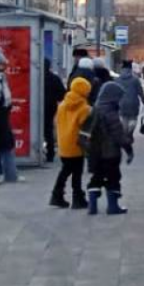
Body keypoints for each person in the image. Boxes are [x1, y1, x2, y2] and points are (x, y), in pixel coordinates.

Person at [87, 82, 133, 215]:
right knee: (113, 178)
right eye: (118, 97)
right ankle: (113, 207)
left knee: (96, 178)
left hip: (94, 154)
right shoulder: (111, 114)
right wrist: (129, 149)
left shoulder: (94, 110)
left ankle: (92, 207)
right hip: (110, 154)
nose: (119, 100)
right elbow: (119, 136)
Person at [50, 77, 91, 209]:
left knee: (66, 170)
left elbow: (56, 122)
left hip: (64, 144)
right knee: (76, 173)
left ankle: (57, 195)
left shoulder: (62, 105)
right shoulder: (84, 108)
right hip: (77, 145)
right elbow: (85, 127)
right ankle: (77, 198)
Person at [0, 49, 18, 184]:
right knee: (4, 145)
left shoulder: (2, 79)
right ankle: (9, 174)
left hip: (2, 119)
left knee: (6, 145)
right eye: (0, 64)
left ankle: (10, 175)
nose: (4, 67)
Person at [115, 60, 144, 138]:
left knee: (123, 118)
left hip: (121, 103)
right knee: (133, 119)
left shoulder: (117, 79)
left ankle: (125, 133)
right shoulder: (135, 79)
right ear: (130, 69)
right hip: (133, 104)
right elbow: (140, 92)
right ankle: (130, 131)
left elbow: (114, 93)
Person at [43, 58, 66, 162]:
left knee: (33, 128)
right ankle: (50, 153)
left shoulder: (33, 77)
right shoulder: (54, 78)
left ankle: (34, 150)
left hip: (33, 107)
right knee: (48, 129)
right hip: (50, 107)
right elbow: (62, 94)